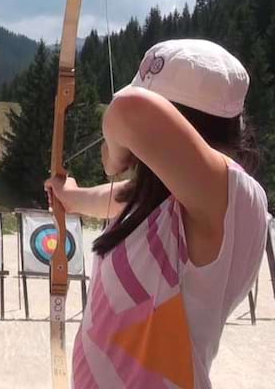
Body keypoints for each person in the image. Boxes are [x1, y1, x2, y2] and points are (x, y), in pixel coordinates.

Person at [46, 39, 269, 388]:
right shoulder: (164, 203)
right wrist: (70, 197)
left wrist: (116, 155)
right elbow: (117, 197)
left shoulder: (233, 197)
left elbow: (129, 111)